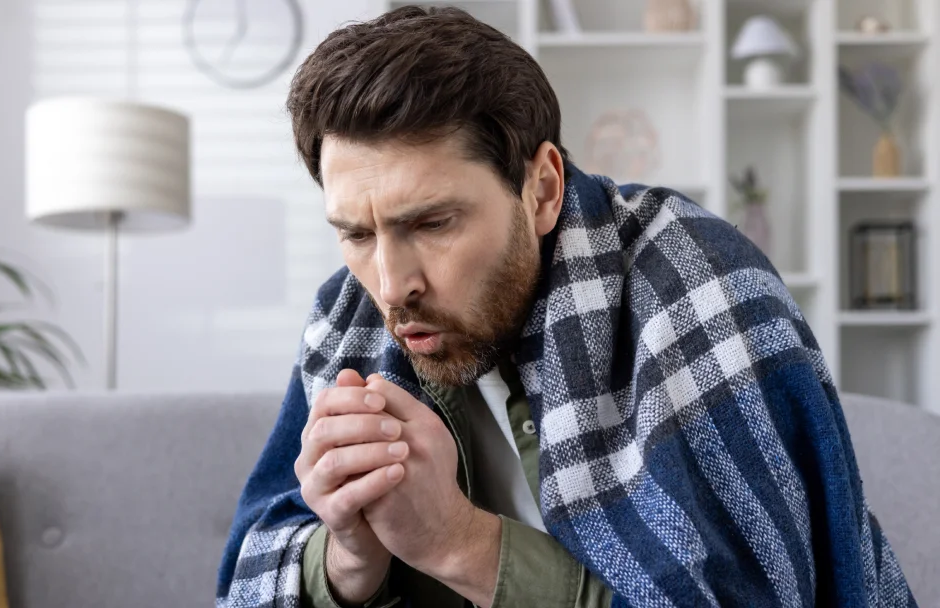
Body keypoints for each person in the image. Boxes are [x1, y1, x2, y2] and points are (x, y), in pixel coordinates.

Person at [216, 6, 915, 608]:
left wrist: (456, 541)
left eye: (432, 223)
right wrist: (347, 562)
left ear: (543, 188)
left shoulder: (697, 283)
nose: (393, 284)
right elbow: (258, 563)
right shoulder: (345, 319)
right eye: (357, 234)